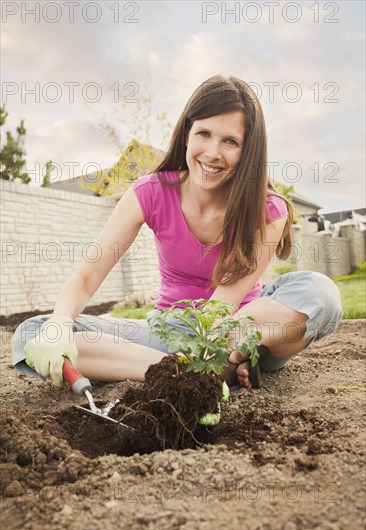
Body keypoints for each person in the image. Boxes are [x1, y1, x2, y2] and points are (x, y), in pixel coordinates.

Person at [12, 75, 342, 393]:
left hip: (242, 328)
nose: (213, 153)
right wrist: (58, 325)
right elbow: (86, 278)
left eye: (230, 141)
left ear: (248, 152)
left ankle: (221, 359)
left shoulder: (267, 209)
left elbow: (221, 309)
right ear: (186, 134)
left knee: (320, 292)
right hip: (172, 333)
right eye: (204, 134)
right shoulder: (150, 193)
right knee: (33, 333)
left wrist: (225, 342)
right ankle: (183, 373)